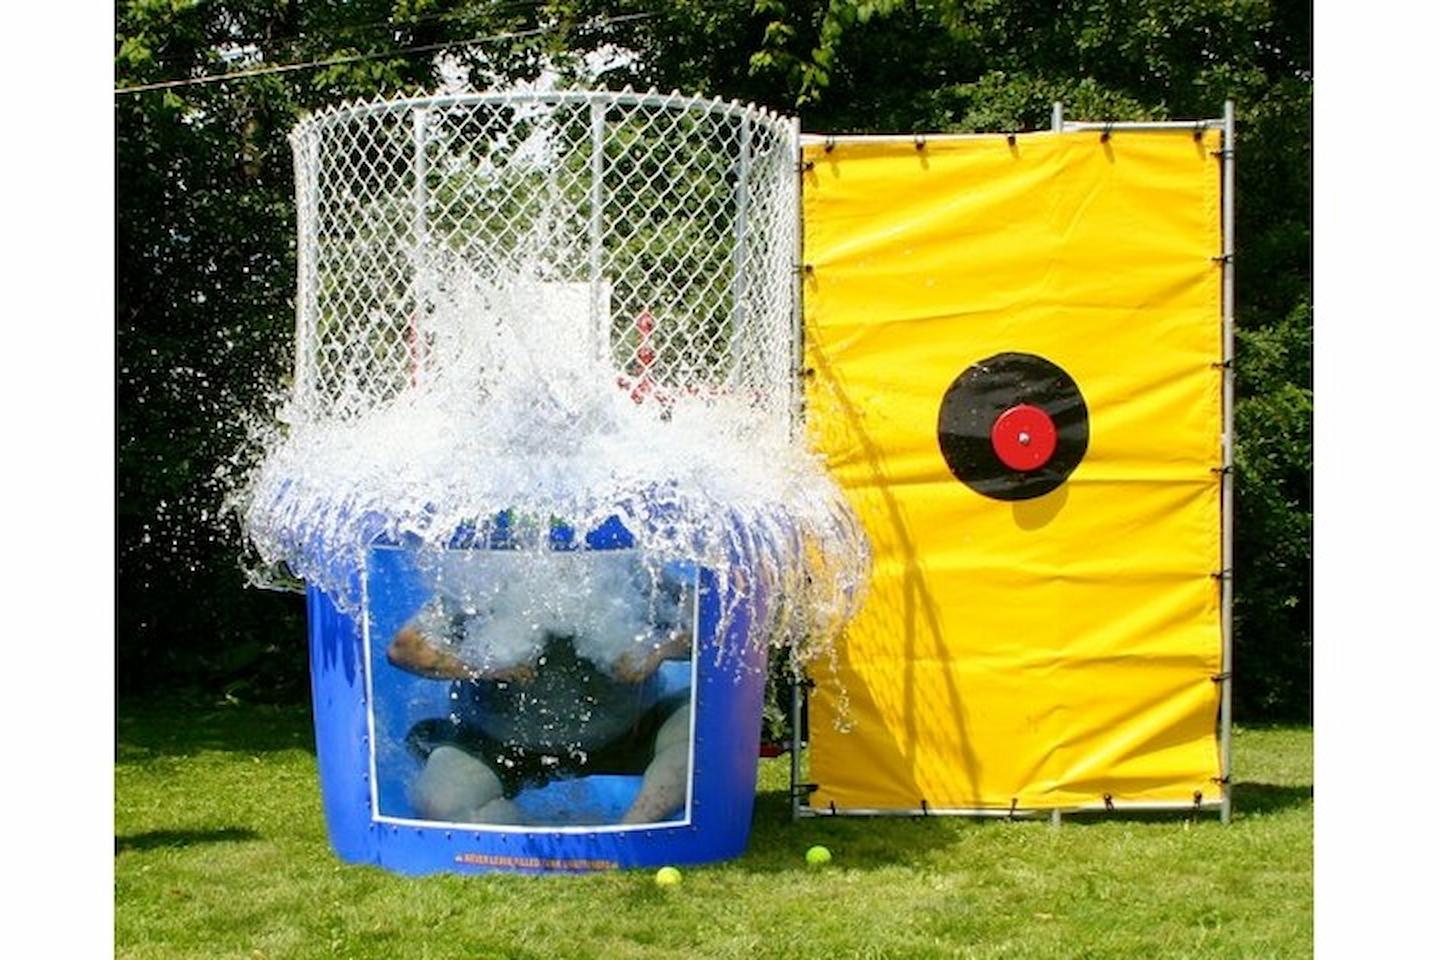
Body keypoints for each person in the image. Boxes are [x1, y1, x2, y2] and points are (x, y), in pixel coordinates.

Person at [385, 564, 695, 826]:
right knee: (439, 802)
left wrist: (657, 652)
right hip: (502, 745)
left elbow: (715, 623)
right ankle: (533, 848)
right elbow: (406, 648)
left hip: (630, 732)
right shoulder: (486, 577)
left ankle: (631, 833)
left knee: (706, 730)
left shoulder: (626, 571)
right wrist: (485, 668)